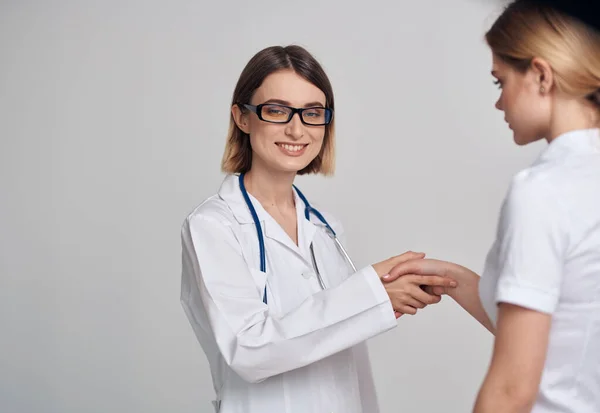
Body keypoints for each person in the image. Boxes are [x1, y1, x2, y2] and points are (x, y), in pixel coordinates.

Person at [180, 45, 457, 413]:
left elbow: (337, 345)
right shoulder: (213, 226)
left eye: (312, 113)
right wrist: (371, 294)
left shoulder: (325, 228)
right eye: (277, 110)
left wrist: (384, 294)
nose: (297, 129)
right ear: (242, 118)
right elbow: (248, 350)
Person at [385, 1, 600, 412]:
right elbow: (562, 333)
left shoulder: (541, 191)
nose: (499, 103)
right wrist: (454, 278)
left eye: (499, 83)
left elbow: (511, 390)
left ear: (540, 75)